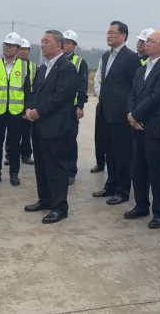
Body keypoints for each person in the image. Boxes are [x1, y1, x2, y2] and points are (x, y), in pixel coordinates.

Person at [24, 30, 78, 223]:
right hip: (39, 126)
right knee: (41, 166)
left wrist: (38, 111)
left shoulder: (67, 68)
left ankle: (59, 207)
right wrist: (29, 108)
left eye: (46, 41)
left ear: (59, 45)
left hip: (56, 127)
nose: (42, 44)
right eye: (41, 41)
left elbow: (60, 97)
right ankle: (45, 200)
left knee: (56, 168)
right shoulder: (43, 68)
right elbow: (35, 91)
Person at [125, 31, 160, 228]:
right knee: (138, 169)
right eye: (147, 41)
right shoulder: (141, 68)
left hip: (155, 127)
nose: (147, 44)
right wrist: (131, 115)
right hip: (138, 127)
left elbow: (157, 97)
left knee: (158, 172)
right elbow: (132, 94)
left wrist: (136, 115)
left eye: (152, 41)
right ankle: (141, 205)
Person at [92, 21, 141, 205]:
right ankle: (110, 186)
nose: (109, 35)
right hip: (105, 112)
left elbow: (135, 87)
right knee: (109, 152)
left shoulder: (130, 58)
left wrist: (131, 111)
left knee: (122, 154)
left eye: (113, 32)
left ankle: (122, 190)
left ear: (123, 36)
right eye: (108, 32)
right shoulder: (106, 56)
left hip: (121, 115)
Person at [0, 32, 31, 187]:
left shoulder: (24, 66)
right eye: (6, 45)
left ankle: (14, 173)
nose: (8, 48)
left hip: (16, 111)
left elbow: (27, 90)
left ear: (17, 48)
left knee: (14, 144)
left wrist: (27, 109)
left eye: (11, 46)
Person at [62, 30, 89, 185]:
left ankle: (71, 172)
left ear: (73, 45)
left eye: (68, 42)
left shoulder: (80, 62)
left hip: (71, 108)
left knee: (70, 140)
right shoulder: (56, 60)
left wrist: (80, 105)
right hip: (57, 108)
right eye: (64, 42)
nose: (65, 45)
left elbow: (83, 85)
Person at [5, 38, 36, 166]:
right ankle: (10, 155)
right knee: (12, 132)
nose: (24, 51)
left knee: (27, 131)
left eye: (26, 49)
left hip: (28, 103)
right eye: (22, 49)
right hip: (14, 104)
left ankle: (26, 155)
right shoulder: (11, 65)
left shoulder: (33, 66)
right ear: (17, 50)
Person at [90, 58, 107, 173]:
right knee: (99, 136)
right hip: (101, 103)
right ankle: (100, 163)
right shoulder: (103, 61)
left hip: (115, 105)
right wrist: (101, 96)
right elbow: (97, 80)